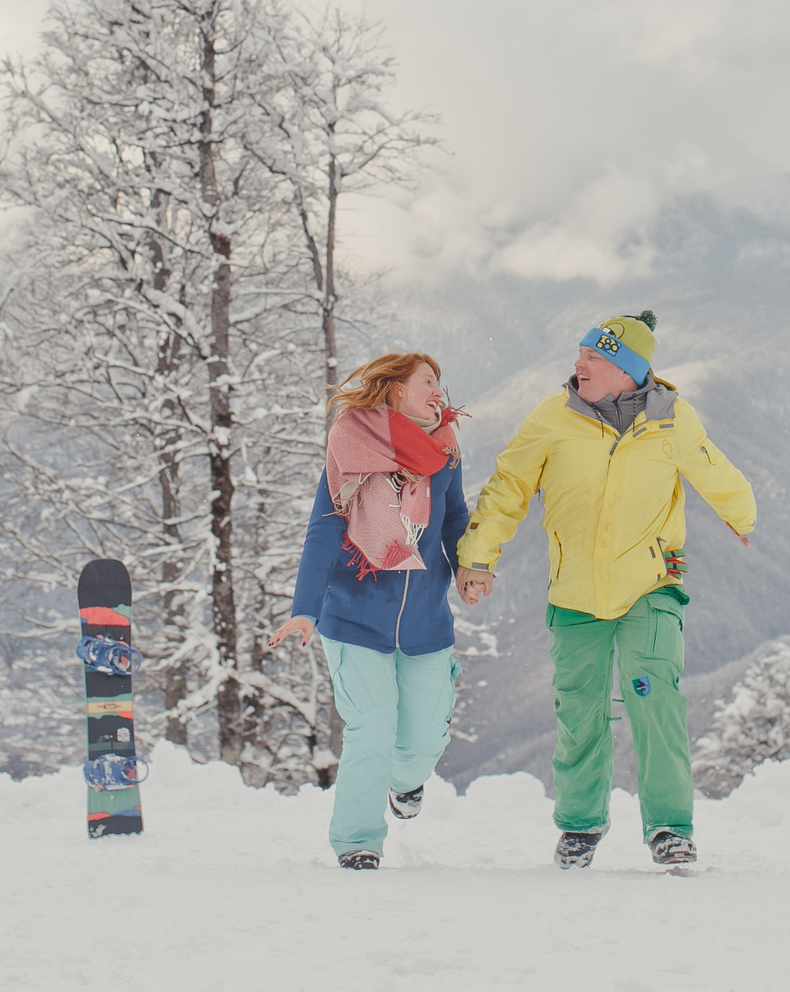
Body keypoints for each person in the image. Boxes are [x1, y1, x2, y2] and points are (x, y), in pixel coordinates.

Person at [452, 311, 755, 870]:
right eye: (580, 355)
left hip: (651, 586)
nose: (579, 365)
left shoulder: (670, 419)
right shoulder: (553, 417)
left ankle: (669, 827)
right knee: (581, 710)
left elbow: (710, 466)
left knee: (653, 694)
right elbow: (508, 488)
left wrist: (741, 514)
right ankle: (580, 827)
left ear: (627, 370)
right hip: (575, 594)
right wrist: (477, 558)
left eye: (594, 357)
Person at [270, 350, 470, 869]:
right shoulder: (352, 445)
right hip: (354, 617)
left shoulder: (444, 450)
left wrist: (473, 567)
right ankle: (357, 841)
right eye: (428, 380)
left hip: (426, 622)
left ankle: (405, 784)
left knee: (422, 741)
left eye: (439, 382)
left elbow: (455, 521)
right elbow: (325, 528)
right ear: (396, 390)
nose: (437, 390)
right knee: (371, 729)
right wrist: (305, 610)